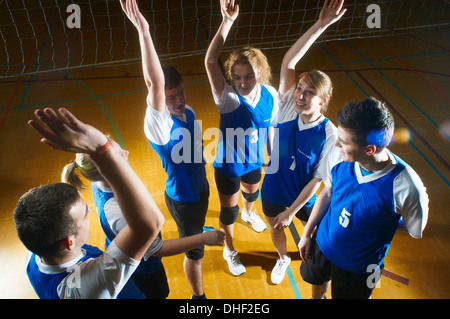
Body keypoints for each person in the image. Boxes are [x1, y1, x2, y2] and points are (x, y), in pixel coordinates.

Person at [14, 107, 165, 299]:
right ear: (69, 242)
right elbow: (149, 224)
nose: (92, 210)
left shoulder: (36, 253)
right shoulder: (83, 288)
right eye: (85, 215)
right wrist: (101, 150)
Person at [120, 0, 210, 299]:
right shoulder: (159, 126)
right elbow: (155, 83)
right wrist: (144, 31)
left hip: (200, 190)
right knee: (194, 252)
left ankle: (197, 232)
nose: (176, 101)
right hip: (183, 200)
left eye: (180, 92)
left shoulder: (191, 112)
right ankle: (199, 298)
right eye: (169, 97)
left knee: (197, 233)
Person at [298, 97, 429, 299]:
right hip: (323, 244)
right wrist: (307, 232)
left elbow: (414, 228)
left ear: (369, 150)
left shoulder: (406, 187)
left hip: (360, 268)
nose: (336, 143)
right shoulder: (339, 156)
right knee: (317, 283)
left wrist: (379, 220)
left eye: (344, 141)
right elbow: (328, 192)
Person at [62, 144, 225, 299]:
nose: (126, 152)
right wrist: (203, 239)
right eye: (120, 154)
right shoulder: (118, 212)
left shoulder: (100, 183)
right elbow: (157, 249)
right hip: (144, 271)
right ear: (108, 170)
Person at [261, 0, 346, 285]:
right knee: (275, 228)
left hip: (304, 199)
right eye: (299, 88)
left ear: (322, 101)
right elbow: (289, 62)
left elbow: (316, 182)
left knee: (318, 235)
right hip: (273, 188)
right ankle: (283, 257)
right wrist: (320, 24)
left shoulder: (330, 134)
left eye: (309, 93)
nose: (300, 95)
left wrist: (292, 212)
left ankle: (318, 266)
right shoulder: (287, 107)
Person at [204, 0, 279, 276]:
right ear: (230, 78)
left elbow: (270, 128)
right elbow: (210, 61)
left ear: (258, 72)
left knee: (253, 193)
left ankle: (250, 214)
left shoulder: (270, 94)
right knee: (229, 212)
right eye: (236, 78)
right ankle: (229, 251)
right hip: (228, 165)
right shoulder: (228, 99)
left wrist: (275, 160)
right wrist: (227, 20)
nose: (243, 83)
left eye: (248, 76)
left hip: (255, 160)